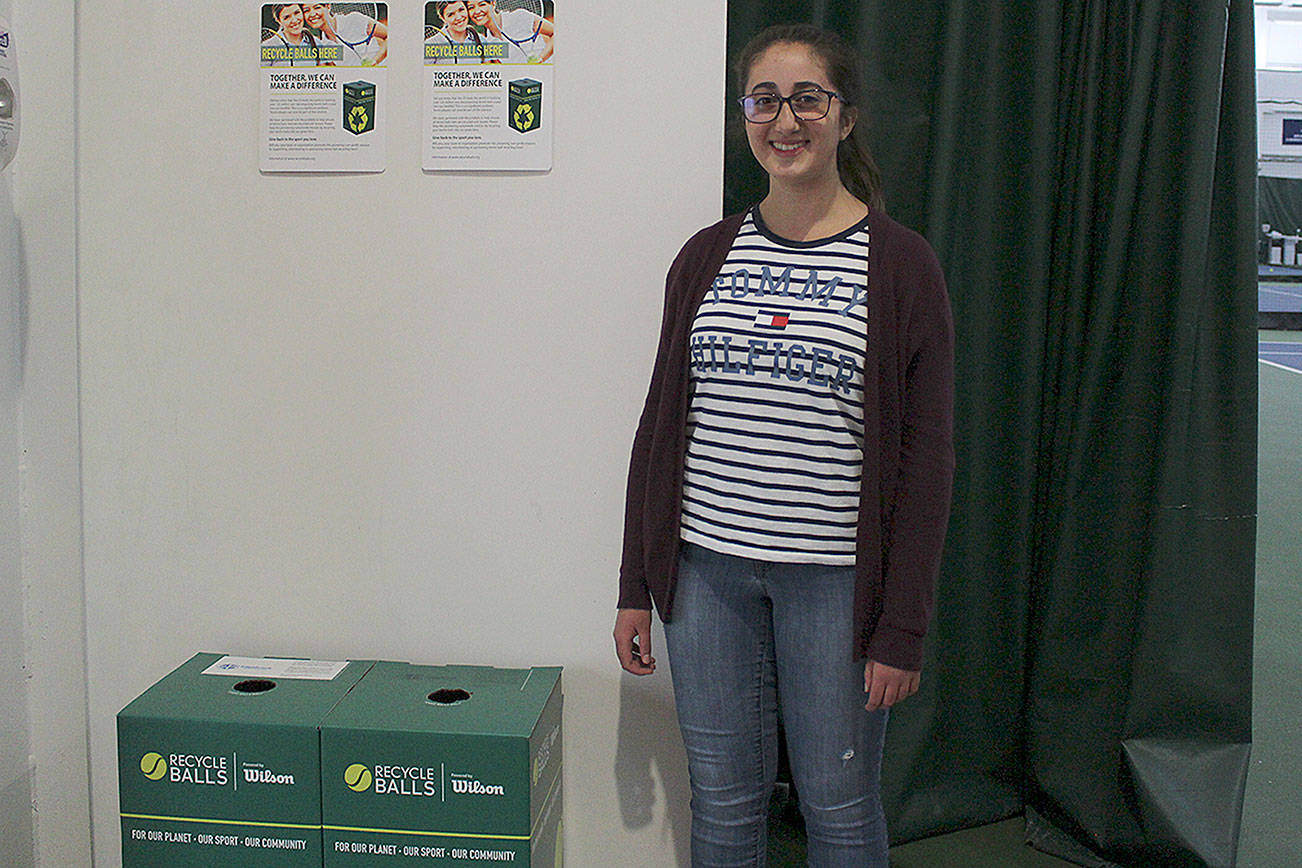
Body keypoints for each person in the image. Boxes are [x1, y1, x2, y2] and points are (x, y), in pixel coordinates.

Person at [613, 22, 954, 867]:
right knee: (724, 804)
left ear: (845, 119)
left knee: (839, 810)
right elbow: (660, 429)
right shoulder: (706, 257)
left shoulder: (902, 268)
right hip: (706, 578)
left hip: (836, 588)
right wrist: (634, 583)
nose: (785, 120)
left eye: (809, 99)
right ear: (746, 117)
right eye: (765, 100)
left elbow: (927, 462)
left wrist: (901, 627)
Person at [466, 0, 553, 63]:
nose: (477, 11)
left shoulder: (519, 16)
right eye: (471, 8)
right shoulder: (488, 41)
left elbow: (556, 33)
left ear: (493, 3)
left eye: (482, 5)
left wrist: (541, 58)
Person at [303, 3, 388, 66]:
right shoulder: (323, 43)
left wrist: (375, 61)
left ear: (328, 6)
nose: (312, 14)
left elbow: (390, 36)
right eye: (306, 10)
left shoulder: (354, 19)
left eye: (317, 8)